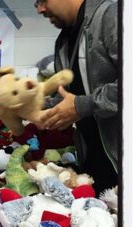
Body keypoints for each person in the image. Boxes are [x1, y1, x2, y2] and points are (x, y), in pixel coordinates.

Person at [35, 0, 118, 193]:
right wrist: (35, 107)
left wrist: (82, 106)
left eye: (42, 0)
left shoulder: (112, 16)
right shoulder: (64, 40)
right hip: (94, 170)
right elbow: (70, 99)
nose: (40, 9)